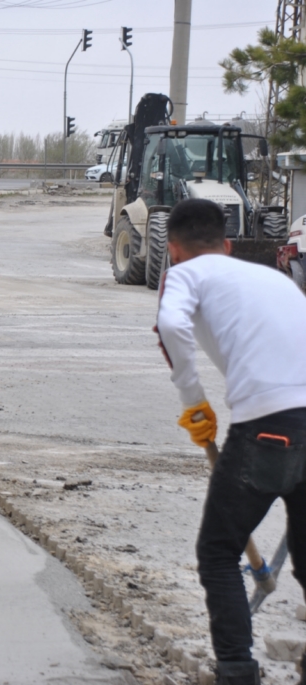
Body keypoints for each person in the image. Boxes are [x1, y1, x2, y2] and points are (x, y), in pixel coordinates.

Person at [155, 198, 306, 685]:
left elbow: (170, 325)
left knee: (218, 551)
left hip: (268, 424)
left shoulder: (184, 275)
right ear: (228, 244)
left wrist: (194, 401)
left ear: (173, 251)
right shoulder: (273, 278)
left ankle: (238, 673)